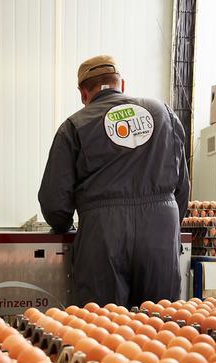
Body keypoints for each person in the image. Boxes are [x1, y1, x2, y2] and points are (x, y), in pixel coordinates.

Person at [38, 55, 190, 309]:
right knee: (162, 328)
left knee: (102, 329)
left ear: (83, 93)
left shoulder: (74, 126)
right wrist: (168, 226)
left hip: (103, 235)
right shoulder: (164, 114)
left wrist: (64, 225)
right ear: (122, 84)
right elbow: (182, 187)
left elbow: (55, 202)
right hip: (160, 230)